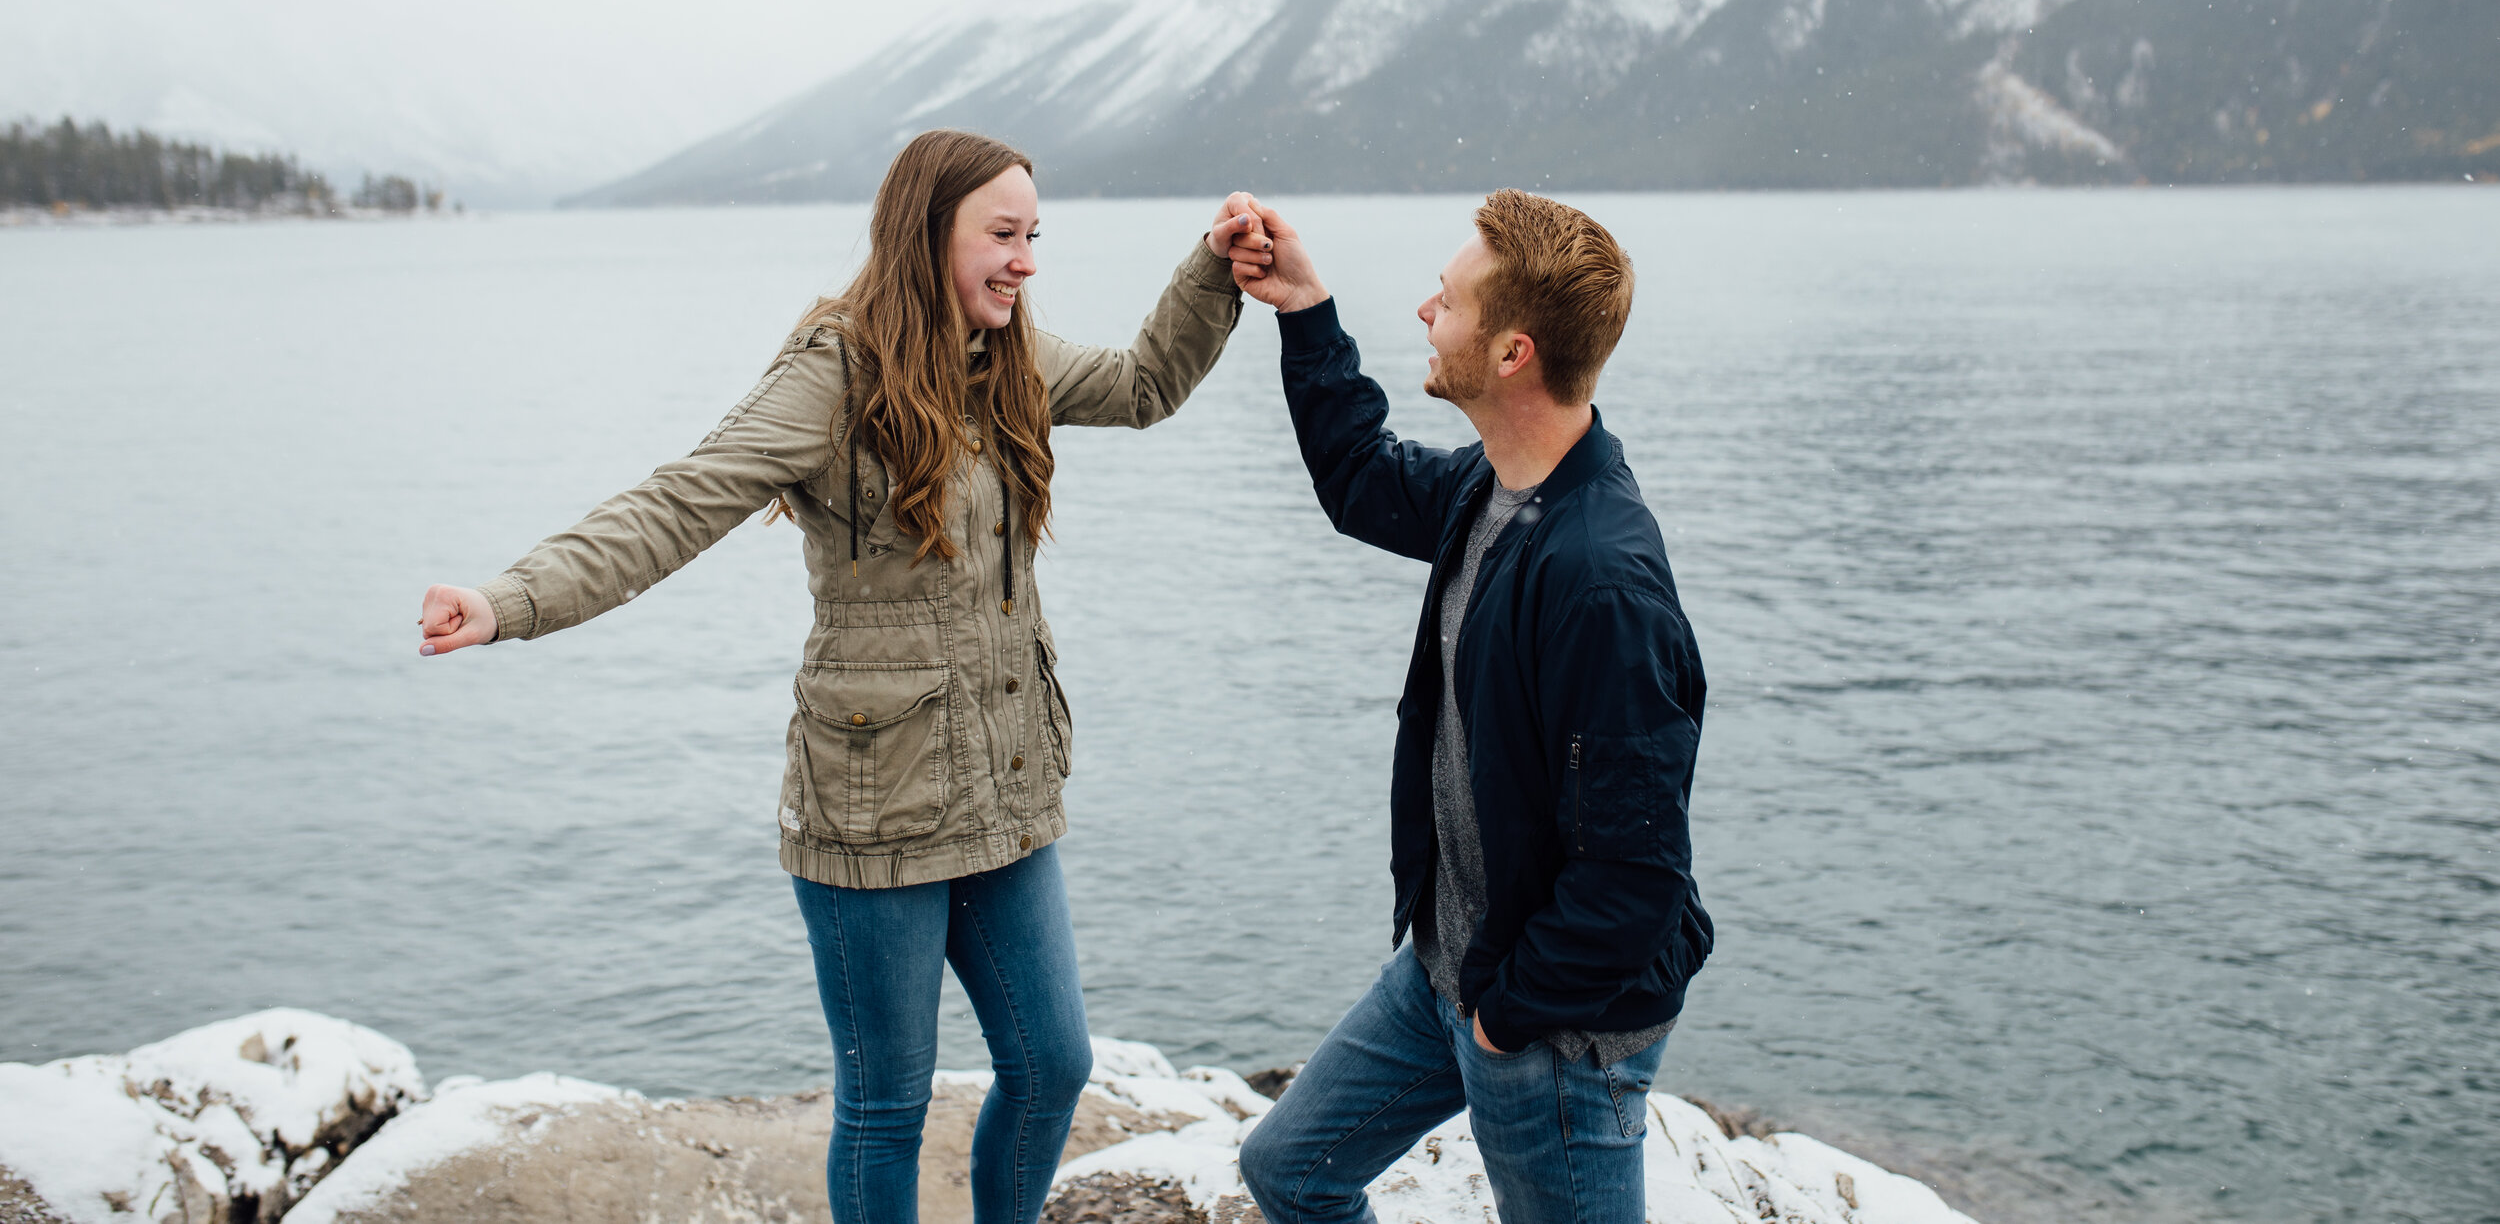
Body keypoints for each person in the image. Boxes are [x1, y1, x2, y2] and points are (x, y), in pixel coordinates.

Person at [415, 130, 1270, 1224]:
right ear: (927, 234)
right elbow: (684, 498)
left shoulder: (1008, 356)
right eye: (1002, 236)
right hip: (873, 799)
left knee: (1052, 1061)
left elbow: (1148, 383)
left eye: (1033, 236)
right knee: (885, 1102)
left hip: (1004, 784)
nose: (1025, 261)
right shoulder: (833, 369)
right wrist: (509, 599)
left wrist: (1210, 266)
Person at [1220, 189, 1713, 1224]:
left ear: (1511, 353)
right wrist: (1305, 308)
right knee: (1291, 1171)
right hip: (1447, 968)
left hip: (1551, 1031)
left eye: (1444, 301)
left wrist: (1503, 1020)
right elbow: (1359, 478)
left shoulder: (1601, 582)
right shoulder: (1491, 491)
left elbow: (1635, 879)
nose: (1424, 312)